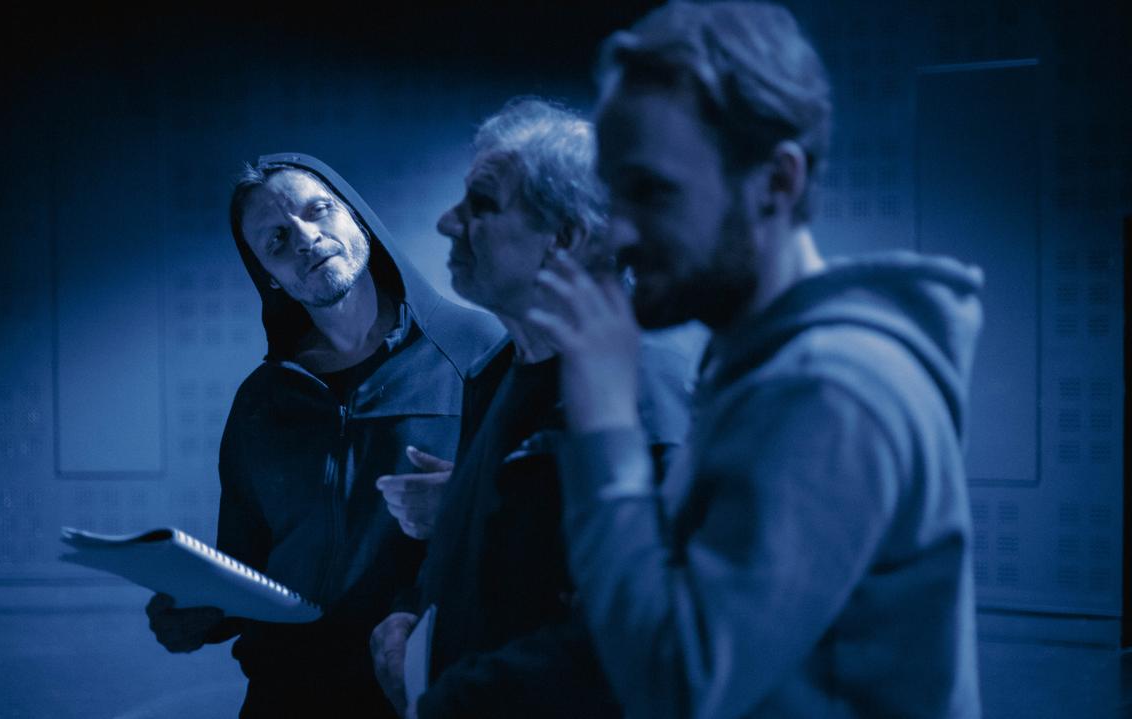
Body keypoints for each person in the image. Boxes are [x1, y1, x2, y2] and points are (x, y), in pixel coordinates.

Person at [526, 3, 983, 718]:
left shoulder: (830, 387)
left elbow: (679, 687)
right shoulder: (758, 366)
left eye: (652, 191)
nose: (618, 232)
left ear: (777, 182)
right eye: (614, 193)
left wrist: (607, 422)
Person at [369, 98, 702, 718]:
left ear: (565, 239)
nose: (447, 223)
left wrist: (455, 702)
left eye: (481, 205)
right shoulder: (499, 371)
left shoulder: (646, 384)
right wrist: (408, 614)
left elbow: (641, 637)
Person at [145, 153, 502, 718]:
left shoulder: (475, 348)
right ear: (268, 274)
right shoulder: (262, 400)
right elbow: (247, 561)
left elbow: (535, 521)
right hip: (284, 698)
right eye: (277, 239)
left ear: (357, 217)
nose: (306, 238)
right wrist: (201, 612)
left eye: (319, 211)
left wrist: (463, 502)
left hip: (421, 692)